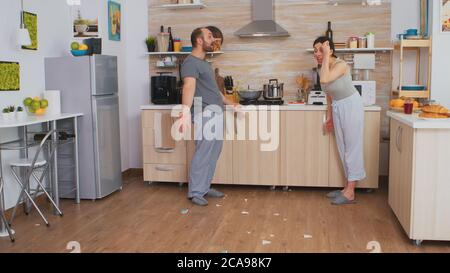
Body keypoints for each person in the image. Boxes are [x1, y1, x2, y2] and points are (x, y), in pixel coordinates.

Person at [178, 27, 239, 206]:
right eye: (210, 36)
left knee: (213, 152)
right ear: (199, 40)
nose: (213, 39)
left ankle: (204, 187)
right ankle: (196, 192)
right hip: (205, 112)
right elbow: (188, 87)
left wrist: (231, 104)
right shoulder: (190, 62)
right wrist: (184, 114)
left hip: (216, 111)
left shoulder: (205, 64)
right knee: (203, 152)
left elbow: (216, 92)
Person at [313, 36, 366, 205]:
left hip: (351, 105)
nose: (317, 53)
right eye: (315, 50)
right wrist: (330, 117)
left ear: (330, 51)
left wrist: (327, 55)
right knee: (343, 148)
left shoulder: (340, 65)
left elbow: (324, 81)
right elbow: (329, 94)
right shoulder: (323, 67)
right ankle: (346, 188)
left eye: (321, 50)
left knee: (352, 148)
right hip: (337, 106)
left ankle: (350, 192)